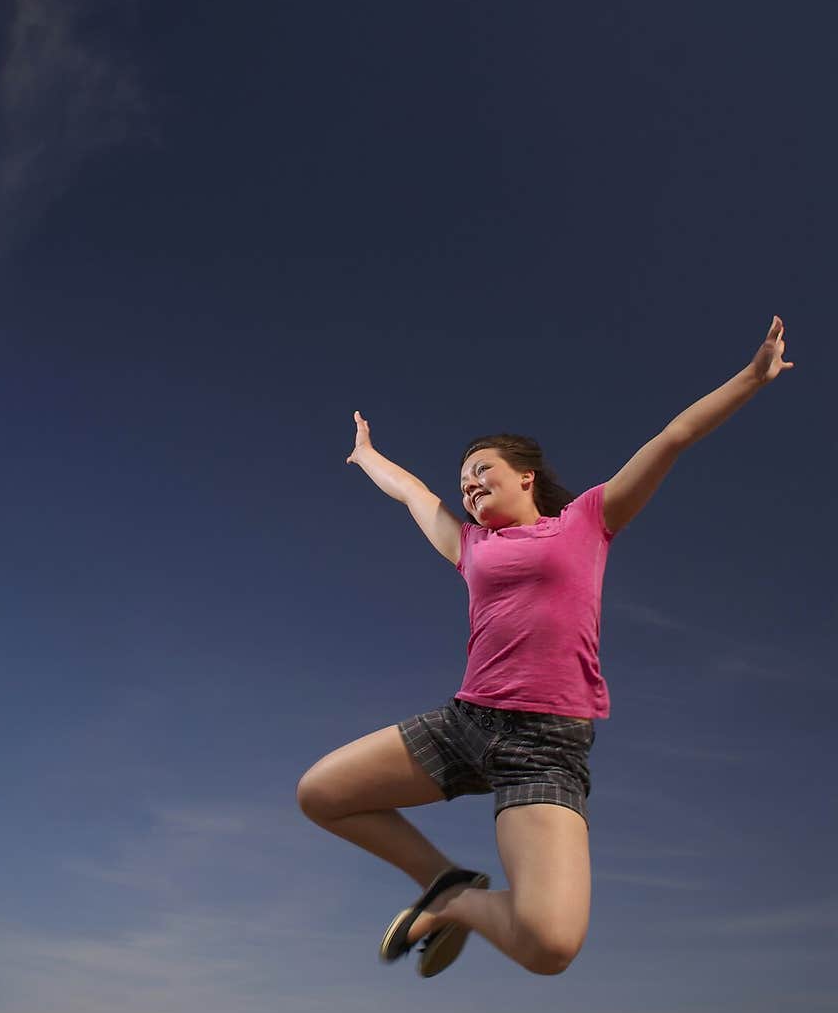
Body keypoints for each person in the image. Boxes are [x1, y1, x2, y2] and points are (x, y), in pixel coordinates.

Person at [297, 318, 793, 978]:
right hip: (467, 723)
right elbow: (414, 493)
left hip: (546, 743)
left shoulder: (589, 520)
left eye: (482, 472)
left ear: (526, 475)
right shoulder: (469, 547)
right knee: (321, 793)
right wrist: (367, 457)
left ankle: (457, 906)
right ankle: (445, 881)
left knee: (549, 946)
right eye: (464, 481)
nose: (469, 486)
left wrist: (750, 380)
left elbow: (673, 437)